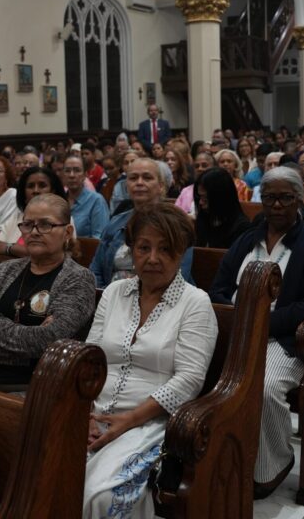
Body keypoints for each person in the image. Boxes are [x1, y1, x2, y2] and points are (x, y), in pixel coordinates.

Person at [209, 166, 304, 498]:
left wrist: (261, 321)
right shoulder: (246, 239)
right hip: (236, 332)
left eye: (284, 198)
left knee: (263, 389)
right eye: (269, 198)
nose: (276, 205)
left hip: (284, 339)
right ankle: (217, 454)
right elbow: (219, 287)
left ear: (298, 200)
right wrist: (236, 318)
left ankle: (274, 462)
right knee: (199, 374)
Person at [83, 203, 216, 517]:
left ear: (181, 253)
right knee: (45, 469)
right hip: (94, 413)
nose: (153, 258)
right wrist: (85, 413)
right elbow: (89, 360)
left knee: (99, 495)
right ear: (131, 251)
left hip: (151, 421)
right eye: (144, 247)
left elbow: (189, 380)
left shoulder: (195, 302)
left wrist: (128, 420)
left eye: (165, 249)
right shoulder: (115, 292)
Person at [0, 195, 94, 391]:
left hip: (33, 389)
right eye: (27, 225)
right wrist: (27, 343)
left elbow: (49, 341)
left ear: (67, 232)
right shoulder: (5, 270)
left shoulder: (78, 278)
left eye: (45, 225)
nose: (34, 232)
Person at [91, 158, 167, 288]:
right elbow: (96, 270)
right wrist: (104, 296)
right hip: (110, 298)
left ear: (160, 186)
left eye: (147, 178)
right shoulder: (115, 223)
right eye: (133, 178)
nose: (139, 183)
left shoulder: (175, 225)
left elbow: (179, 273)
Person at [0, 167, 68, 263]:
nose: (36, 190)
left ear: (53, 191)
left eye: (42, 185)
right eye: (30, 186)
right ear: (24, 193)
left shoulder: (64, 217)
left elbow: (49, 255)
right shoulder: (16, 217)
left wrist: (9, 248)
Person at [193, 167, 252, 248]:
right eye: (200, 197)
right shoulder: (203, 218)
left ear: (219, 198)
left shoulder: (241, 228)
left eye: (205, 199)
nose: (200, 202)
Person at [63, 156, 110, 239]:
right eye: (67, 171)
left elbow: (99, 240)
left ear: (85, 175)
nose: (72, 175)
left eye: (77, 170)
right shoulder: (59, 200)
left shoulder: (96, 201)